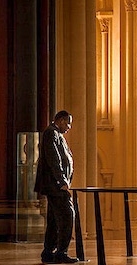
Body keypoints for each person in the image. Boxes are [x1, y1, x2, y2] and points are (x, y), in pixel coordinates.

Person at [34, 110, 78, 264]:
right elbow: (54, 159)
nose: (69, 126)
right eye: (68, 122)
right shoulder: (51, 133)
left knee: (53, 220)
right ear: (60, 120)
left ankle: (49, 252)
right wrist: (62, 182)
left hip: (56, 186)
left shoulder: (57, 134)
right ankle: (61, 252)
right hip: (56, 186)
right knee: (68, 215)